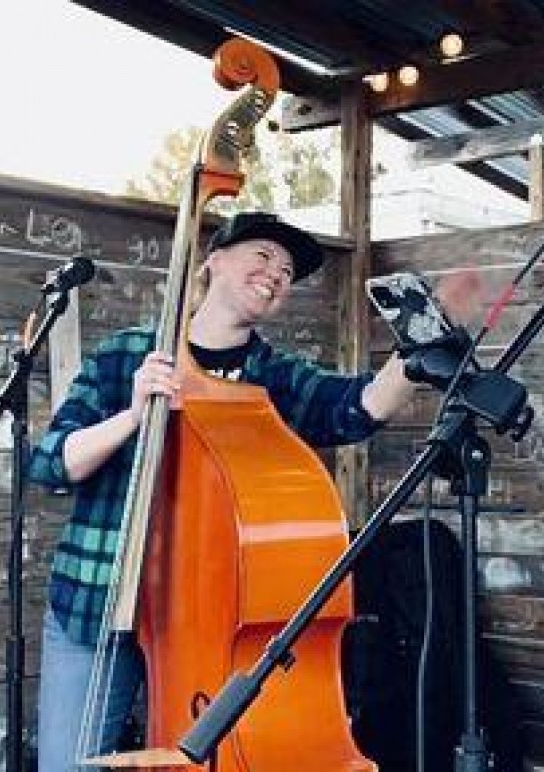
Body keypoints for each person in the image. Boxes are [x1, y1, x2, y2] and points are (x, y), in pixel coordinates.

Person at [28, 211, 478, 771]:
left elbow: (357, 408)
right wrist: (133, 416)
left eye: (288, 271)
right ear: (214, 261)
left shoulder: (273, 377)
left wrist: (418, 351)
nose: (276, 274)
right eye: (262, 256)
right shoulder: (129, 355)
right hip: (97, 605)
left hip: (208, 627)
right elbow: (51, 463)